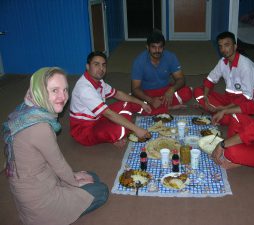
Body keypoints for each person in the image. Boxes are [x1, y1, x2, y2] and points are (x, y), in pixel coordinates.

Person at [2, 67, 109, 225]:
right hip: (41, 203)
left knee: (91, 176)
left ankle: (74, 188)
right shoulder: (40, 127)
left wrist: (74, 176)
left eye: (65, 90)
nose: (63, 97)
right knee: (101, 190)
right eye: (54, 90)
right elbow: (58, 163)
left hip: (36, 183)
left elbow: (47, 160)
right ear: (39, 91)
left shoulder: (26, 110)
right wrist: (74, 181)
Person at [70, 51, 152, 147]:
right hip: (84, 130)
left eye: (103, 65)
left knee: (125, 103)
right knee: (120, 129)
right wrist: (136, 129)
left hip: (98, 117)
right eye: (96, 64)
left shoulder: (98, 81)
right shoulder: (85, 89)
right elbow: (108, 113)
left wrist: (141, 103)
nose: (101, 69)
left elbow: (117, 94)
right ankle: (112, 136)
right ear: (87, 66)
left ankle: (145, 111)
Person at [193, 31, 254, 124]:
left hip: (244, 102)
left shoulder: (246, 66)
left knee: (225, 119)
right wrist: (206, 97)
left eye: (227, 45)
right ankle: (220, 111)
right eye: (220, 46)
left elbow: (247, 96)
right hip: (228, 99)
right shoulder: (223, 61)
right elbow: (210, 80)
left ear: (235, 46)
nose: (223, 49)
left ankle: (222, 112)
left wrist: (224, 108)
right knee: (198, 91)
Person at [131, 29, 192, 115]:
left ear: (163, 47)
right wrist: (151, 100)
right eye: (153, 47)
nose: (157, 50)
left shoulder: (171, 57)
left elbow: (181, 79)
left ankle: (159, 108)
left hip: (166, 92)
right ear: (147, 47)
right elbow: (135, 89)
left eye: (160, 47)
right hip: (147, 94)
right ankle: (168, 108)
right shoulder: (139, 61)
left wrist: (171, 89)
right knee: (133, 104)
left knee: (187, 92)